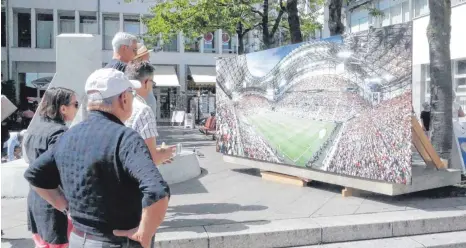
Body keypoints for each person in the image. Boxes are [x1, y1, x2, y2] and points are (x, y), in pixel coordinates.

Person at [24, 68, 170, 248]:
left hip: (79, 239)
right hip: (117, 241)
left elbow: (35, 175)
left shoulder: (69, 136)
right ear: (123, 99)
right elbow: (158, 192)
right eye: (131, 94)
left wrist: (65, 206)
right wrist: (145, 234)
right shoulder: (125, 139)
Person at [23, 87, 79, 248]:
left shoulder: (34, 129)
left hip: (35, 201)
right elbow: (65, 171)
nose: (77, 108)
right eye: (75, 104)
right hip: (55, 204)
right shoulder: (59, 133)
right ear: (63, 108)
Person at [124, 61, 174, 165]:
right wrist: (165, 153)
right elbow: (152, 158)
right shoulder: (144, 110)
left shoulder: (119, 102)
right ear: (146, 83)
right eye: (152, 83)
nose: (152, 87)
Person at [132, 43, 158, 121]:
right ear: (140, 58)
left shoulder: (134, 70)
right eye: (147, 55)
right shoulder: (142, 72)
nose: (149, 57)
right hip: (144, 109)